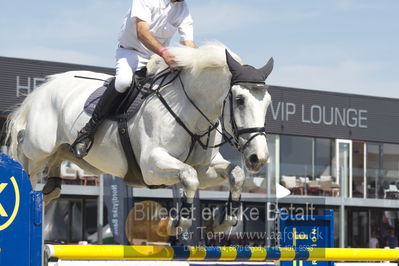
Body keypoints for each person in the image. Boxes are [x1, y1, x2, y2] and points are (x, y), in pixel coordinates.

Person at [70, 0, 196, 158]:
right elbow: (141, 32)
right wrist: (165, 53)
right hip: (132, 53)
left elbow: (188, 43)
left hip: (157, 57)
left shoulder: (182, 7)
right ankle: (87, 132)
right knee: (123, 82)